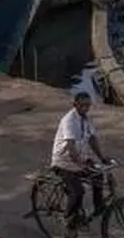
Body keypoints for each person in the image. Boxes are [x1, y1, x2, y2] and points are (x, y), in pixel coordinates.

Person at [51, 92, 113, 238]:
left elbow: (92, 139)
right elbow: (71, 147)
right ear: (75, 105)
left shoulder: (86, 120)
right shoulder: (69, 121)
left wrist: (102, 157)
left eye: (88, 105)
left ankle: (98, 207)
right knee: (77, 191)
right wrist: (80, 164)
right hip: (64, 162)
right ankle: (69, 222)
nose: (86, 108)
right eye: (83, 105)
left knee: (98, 175)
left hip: (81, 159)